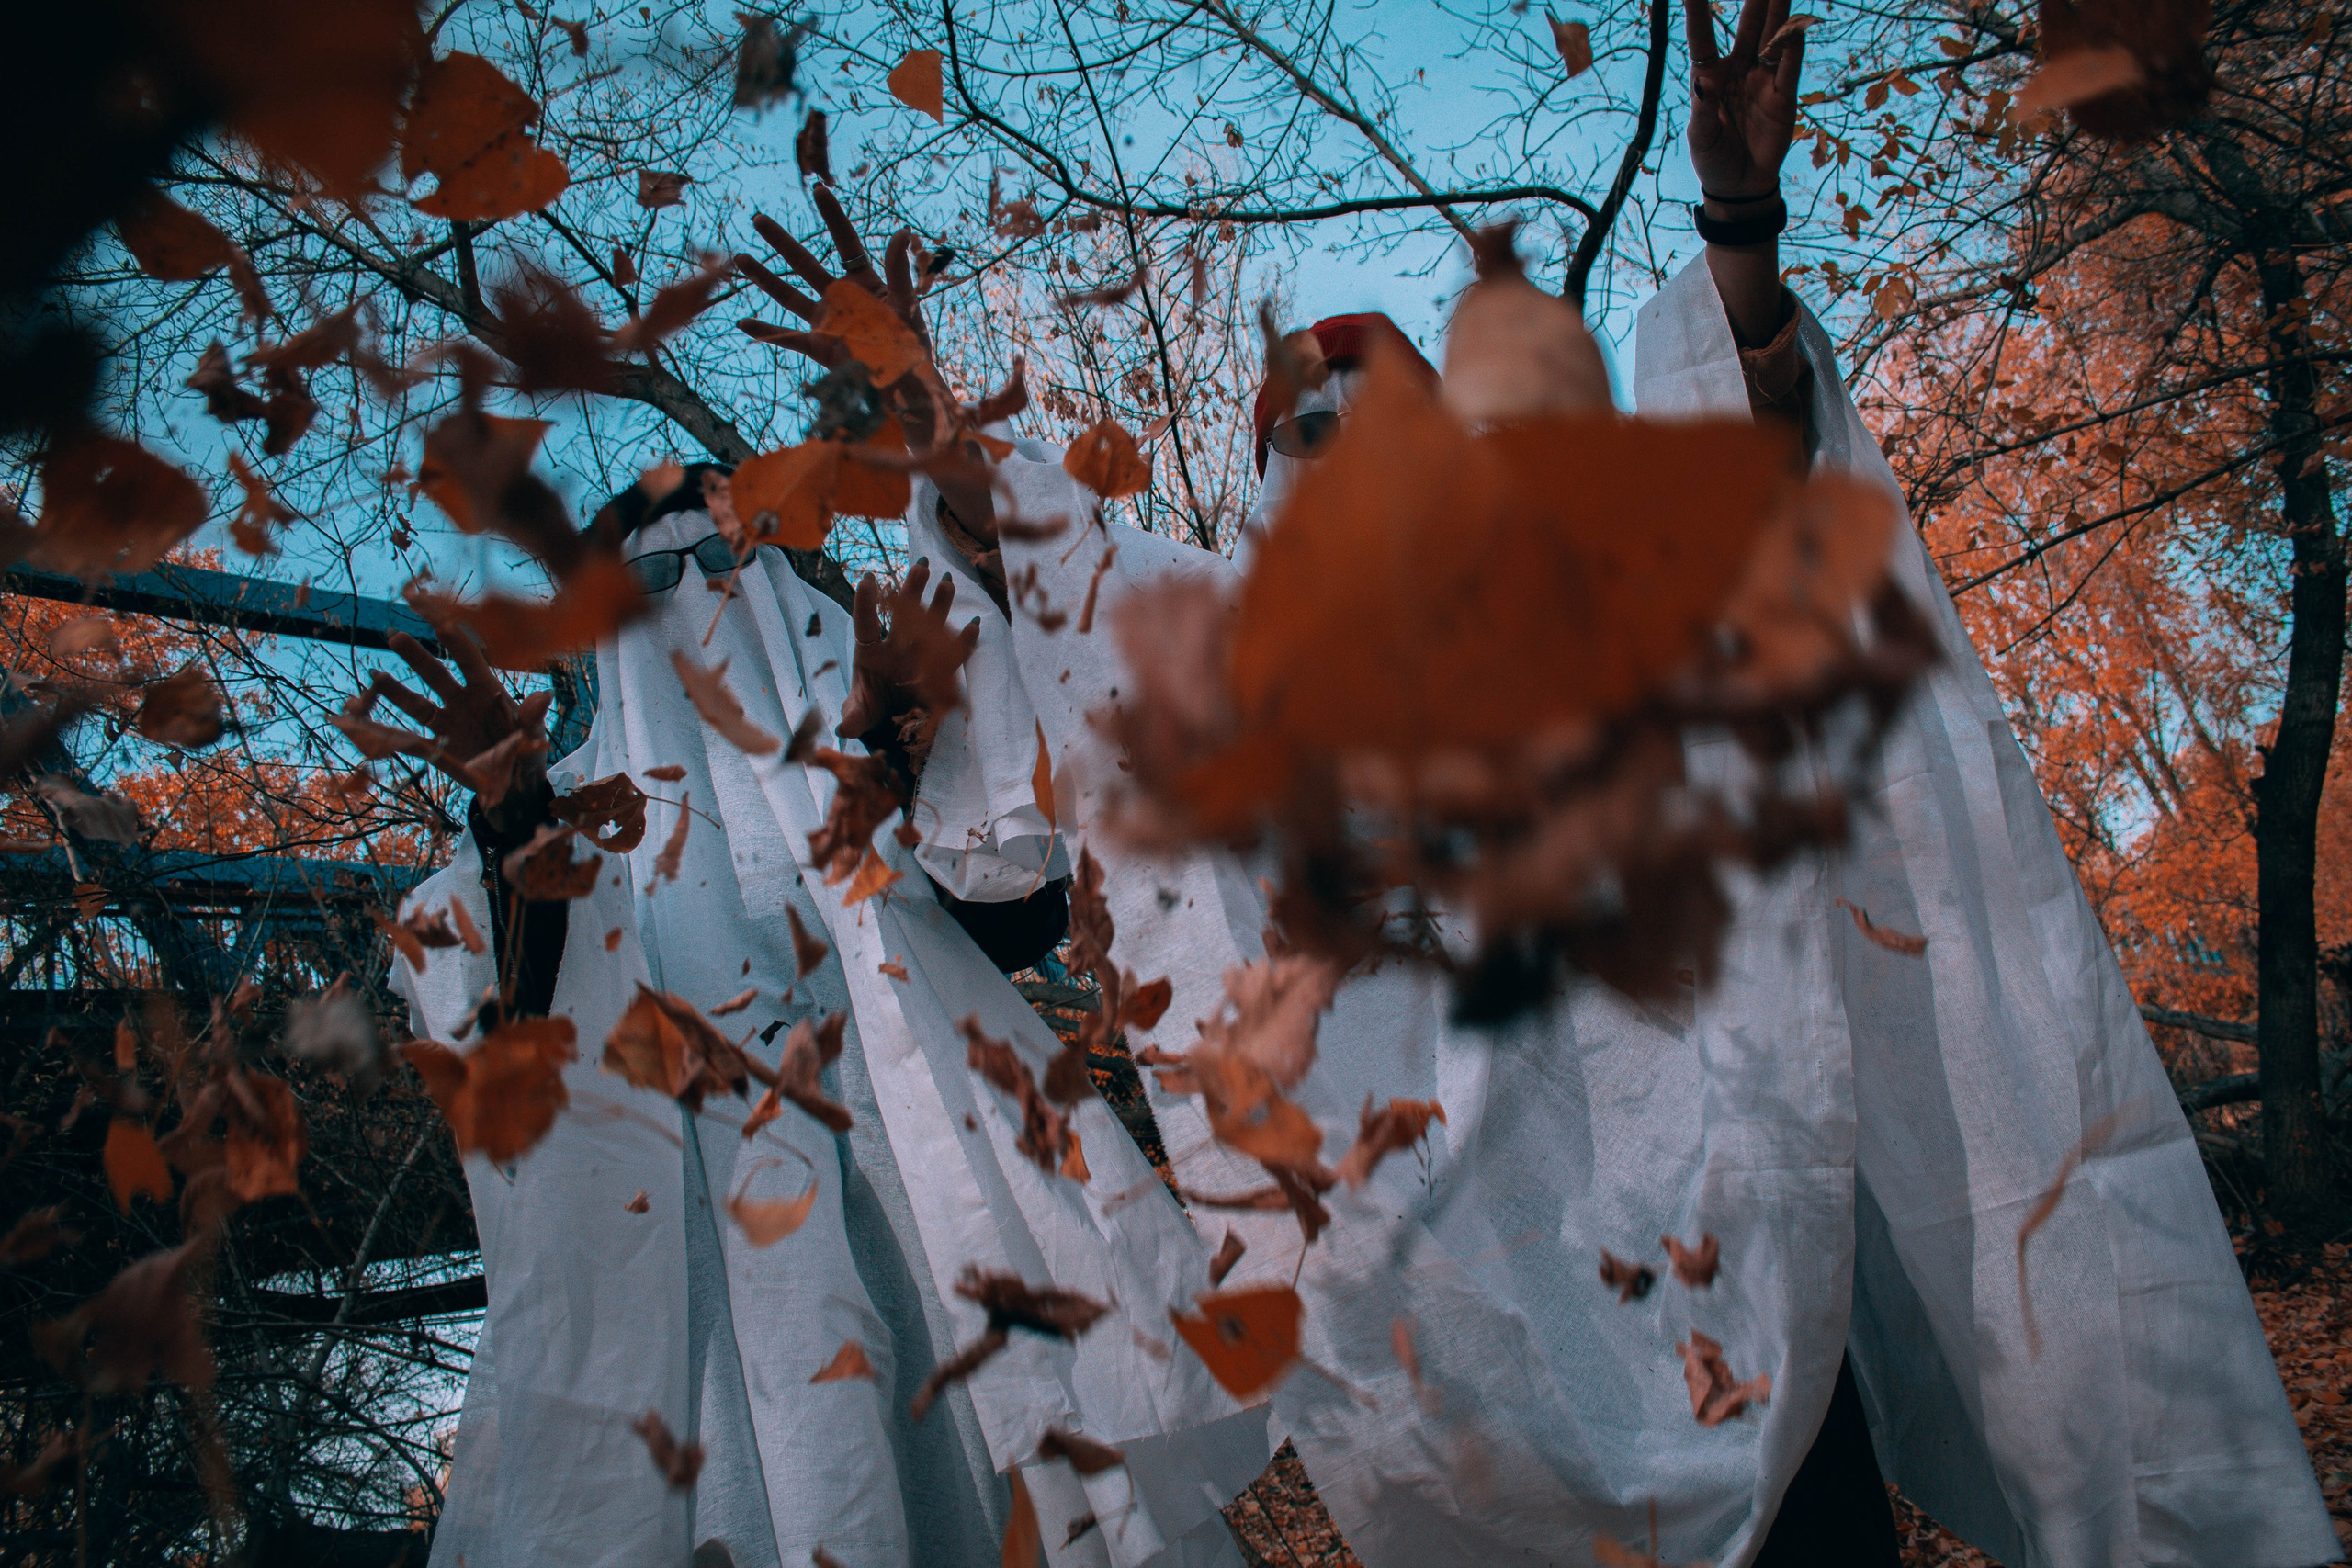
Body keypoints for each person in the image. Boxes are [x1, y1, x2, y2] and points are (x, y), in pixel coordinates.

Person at [896, 0, 2338, 1562]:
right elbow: (1078, 603)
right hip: (1475, 1343)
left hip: (1728, 1273)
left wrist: (1738, 225)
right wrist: (955, 460)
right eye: (1311, 429)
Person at [370, 220, 1272, 1565]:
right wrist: (512, 835)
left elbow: (1024, 866)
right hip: (720, 1290)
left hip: (946, 1211)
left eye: (736, 565)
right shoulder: (571, 817)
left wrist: (898, 747)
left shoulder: (887, 751)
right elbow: (514, 1059)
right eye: (656, 581)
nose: (705, 604)